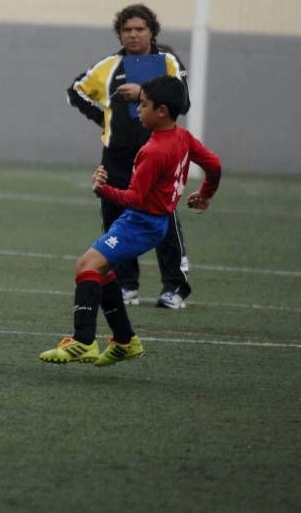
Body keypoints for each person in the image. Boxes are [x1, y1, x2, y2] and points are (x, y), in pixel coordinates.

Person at [40, 76, 222, 366]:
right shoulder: (183, 137)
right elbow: (214, 164)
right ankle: (125, 341)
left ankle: (83, 341)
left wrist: (103, 190)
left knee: (86, 265)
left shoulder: (152, 151)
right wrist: (206, 193)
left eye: (144, 104)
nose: (138, 109)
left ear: (161, 111)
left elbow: (136, 198)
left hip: (142, 222)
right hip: (151, 220)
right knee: (101, 268)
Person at [67, 3, 192, 309]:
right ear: (119, 34)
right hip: (117, 157)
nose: (133, 35)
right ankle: (127, 285)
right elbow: (76, 91)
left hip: (158, 155)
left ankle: (174, 287)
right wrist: (104, 117)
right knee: (115, 219)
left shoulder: (167, 62)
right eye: (127, 30)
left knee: (162, 219)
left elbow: (183, 101)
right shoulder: (109, 66)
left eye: (140, 29)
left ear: (152, 32)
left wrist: (142, 93)